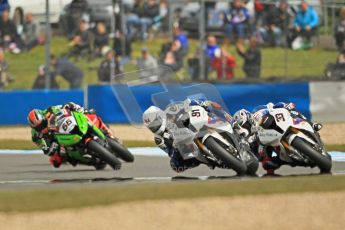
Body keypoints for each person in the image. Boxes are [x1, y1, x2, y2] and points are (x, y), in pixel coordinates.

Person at [232, 102, 322, 175]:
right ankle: (284, 159)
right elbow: (255, 155)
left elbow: (271, 106)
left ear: (248, 117)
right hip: (271, 141)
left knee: (292, 111)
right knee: (267, 165)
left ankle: (311, 124)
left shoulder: (257, 112)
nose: (247, 127)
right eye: (244, 127)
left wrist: (284, 106)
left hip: (280, 124)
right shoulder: (249, 138)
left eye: (246, 124)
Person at [143, 99, 231, 173]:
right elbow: (170, 153)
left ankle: (232, 123)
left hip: (196, 124)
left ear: (160, 116)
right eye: (151, 127)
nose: (154, 127)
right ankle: (208, 159)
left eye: (155, 123)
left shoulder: (171, 110)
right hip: (189, 147)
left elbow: (187, 103)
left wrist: (200, 103)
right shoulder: (159, 139)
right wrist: (175, 148)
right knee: (175, 166)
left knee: (210, 105)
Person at [27, 103, 86, 167]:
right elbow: (45, 148)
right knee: (55, 161)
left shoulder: (49, 110)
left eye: (42, 124)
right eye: (38, 127)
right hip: (57, 140)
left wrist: (70, 106)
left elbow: (63, 107)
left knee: (85, 112)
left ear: (43, 117)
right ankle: (76, 158)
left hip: (63, 127)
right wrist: (51, 147)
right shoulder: (35, 136)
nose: (42, 128)